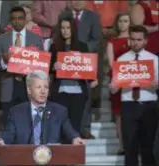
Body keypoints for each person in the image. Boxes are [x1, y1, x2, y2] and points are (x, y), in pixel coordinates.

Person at [0, 70, 84, 152]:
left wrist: (75, 138)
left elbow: (69, 131)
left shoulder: (59, 111)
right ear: (29, 90)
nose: (43, 91)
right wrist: (0, 141)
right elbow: (8, 135)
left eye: (46, 87)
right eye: (38, 87)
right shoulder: (16, 112)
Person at [110, 25, 158, 166]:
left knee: (148, 148)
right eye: (133, 39)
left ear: (145, 41)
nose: (136, 42)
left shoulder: (154, 59)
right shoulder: (121, 61)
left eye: (139, 39)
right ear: (129, 40)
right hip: (129, 106)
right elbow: (114, 88)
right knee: (130, 148)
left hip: (149, 106)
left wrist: (155, 84)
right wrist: (113, 87)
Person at [0, 6, 43, 126]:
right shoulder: (2, 39)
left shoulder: (36, 38)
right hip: (9, 85)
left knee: (29, 124)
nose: (17, 21)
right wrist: (5, 61)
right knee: (9, 124)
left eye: (20, 18)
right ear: (10, 20)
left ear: (25, 19)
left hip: (29, 86)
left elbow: (42, 65)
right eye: (14, 18)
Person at [60, 0, 102, 139]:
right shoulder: (64, 15)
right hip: (66, 59)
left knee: (86, 96)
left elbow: (96, 40)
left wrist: (80, 50)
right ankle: (66, 129)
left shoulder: (93, 16)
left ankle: (85, 129)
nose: (77, 2)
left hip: (85, 60)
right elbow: (59, 35)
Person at [49, 16, 89, 140]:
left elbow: (88, 67)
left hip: (78, 92)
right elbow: (48, 67)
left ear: (73, 29)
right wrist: (53, 67)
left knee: (75, 125)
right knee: (61, 125)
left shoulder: (82, 47)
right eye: (62, 28)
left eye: (68, 28)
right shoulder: (54, 47)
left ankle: (73, 155)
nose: (65, 31)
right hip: (60, 92)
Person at [106, 12, 131, 155]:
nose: (123, 24)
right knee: (119, 115)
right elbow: (111, 63)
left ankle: (133, 145)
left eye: (126, 21)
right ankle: (122, 146)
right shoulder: (112, 40)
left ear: (130, 23)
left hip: (134, 81)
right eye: (120, 21)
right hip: (117, 79)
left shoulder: (135, 40)